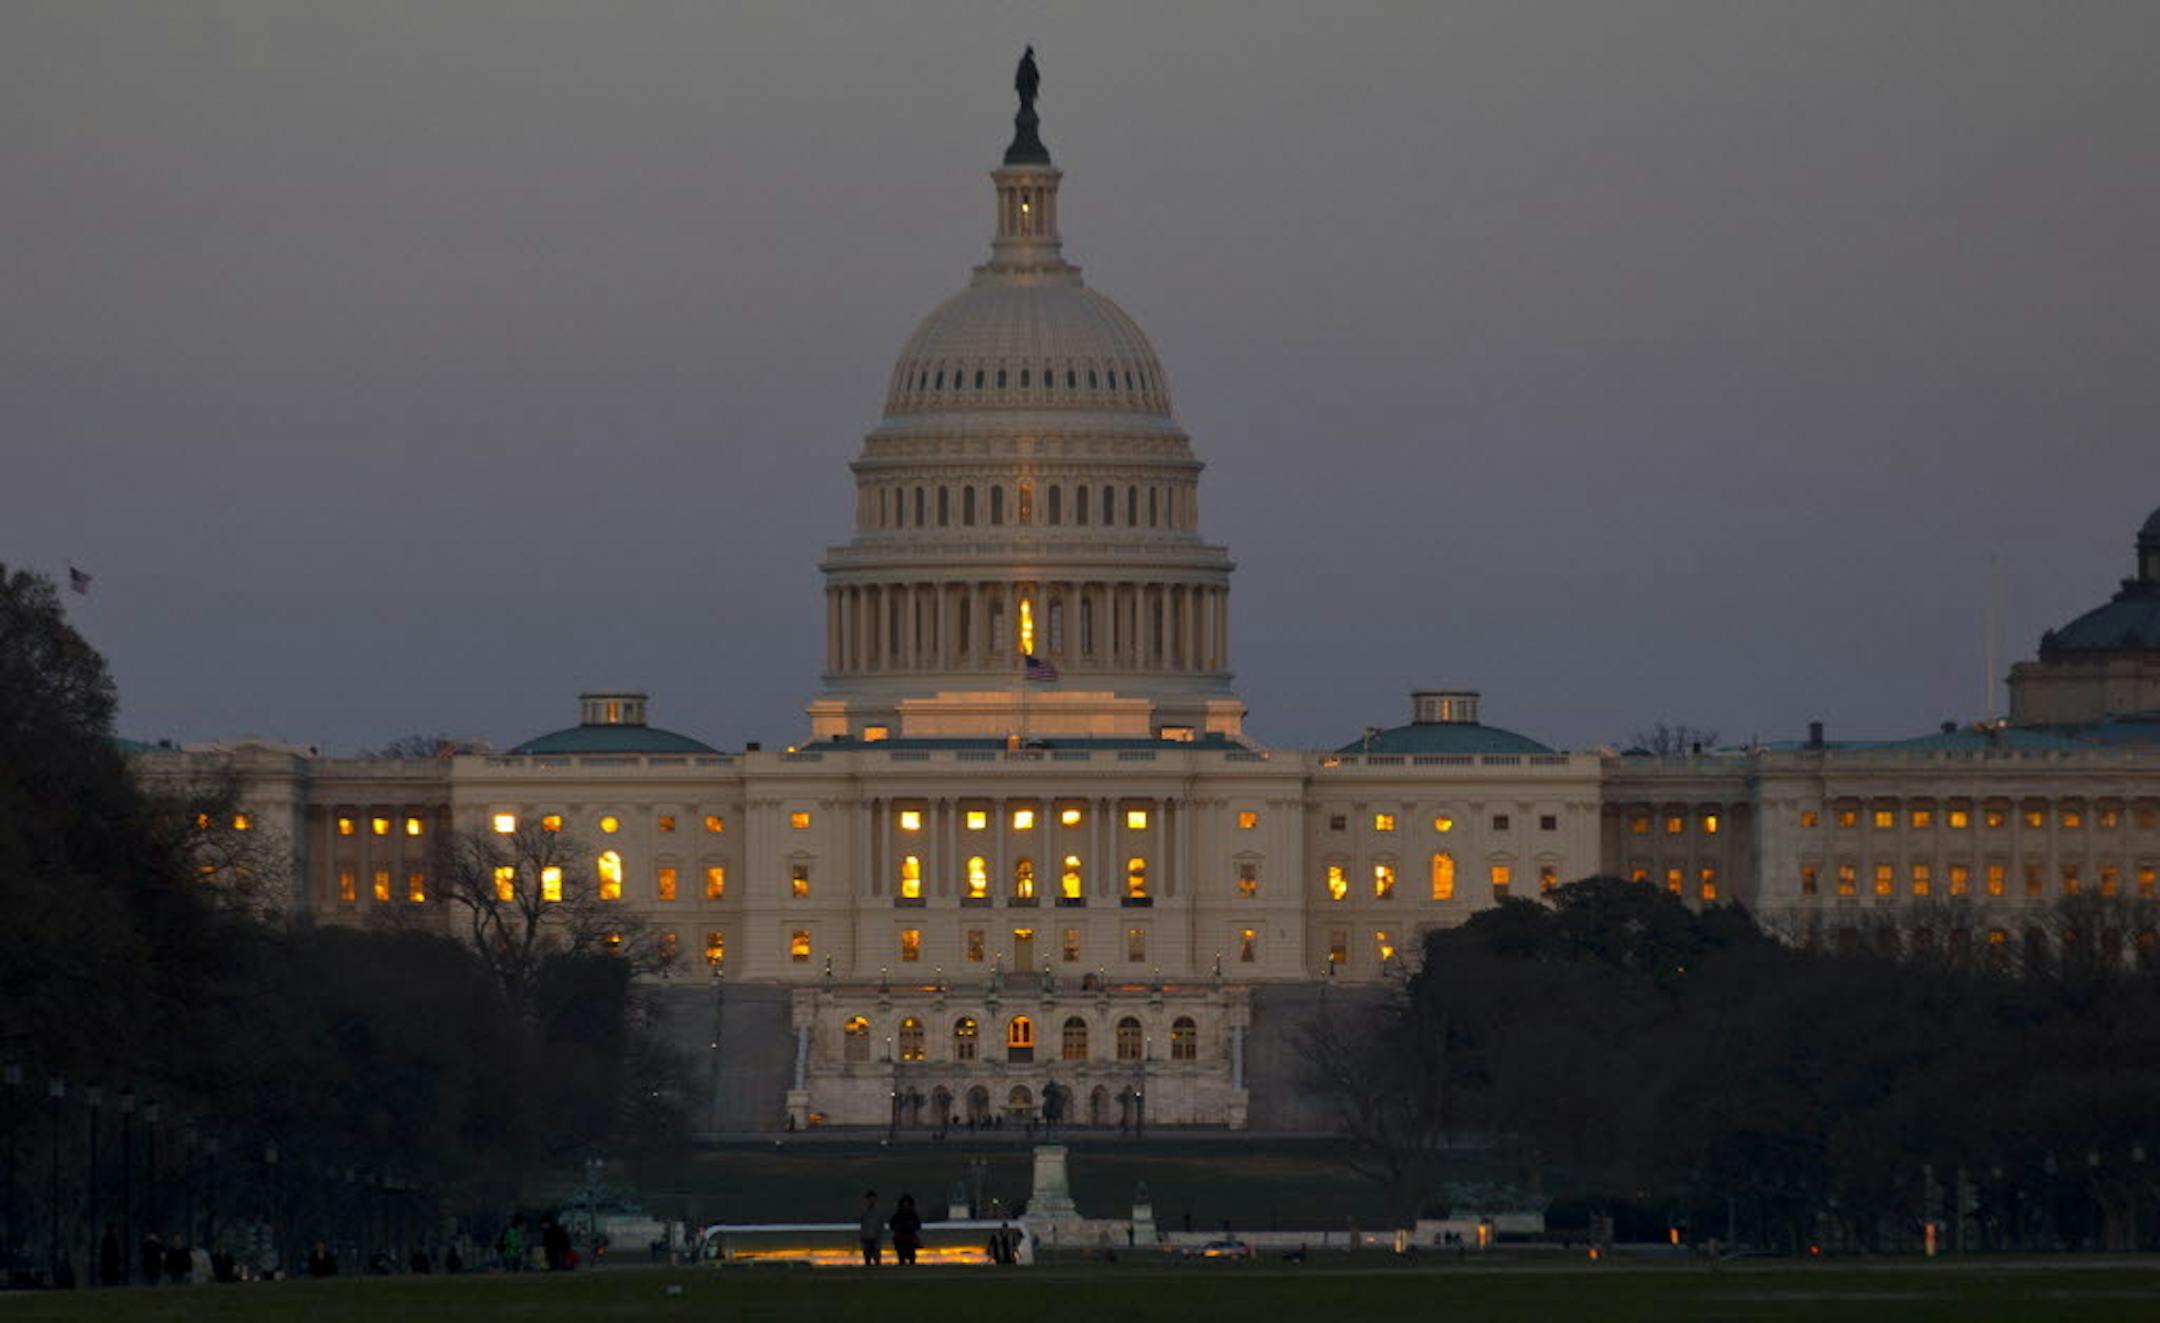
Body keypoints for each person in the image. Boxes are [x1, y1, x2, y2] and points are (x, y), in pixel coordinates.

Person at [889, 1194, 922, 1266]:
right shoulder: (898, 1214)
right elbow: (891, 1225)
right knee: (902, 1257)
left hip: (909, 1238)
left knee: (911, 1257)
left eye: (907, 1203)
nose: (906, 1205)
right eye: (904, 1203)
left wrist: (911, 1227)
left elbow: (918, 1225)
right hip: (900, 1238)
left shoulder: (912, 1214)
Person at [857, 1190, 882, 1266]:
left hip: (876, 1236)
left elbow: (881, 1224)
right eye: (869, 1198)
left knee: (877, 1256)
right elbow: (858, 1219)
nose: (871, 1200)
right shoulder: (863, 1210)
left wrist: (880, 1235)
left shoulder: (879, 1210)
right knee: (867, 1256)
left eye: (873, 1198)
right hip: (866, 1236)